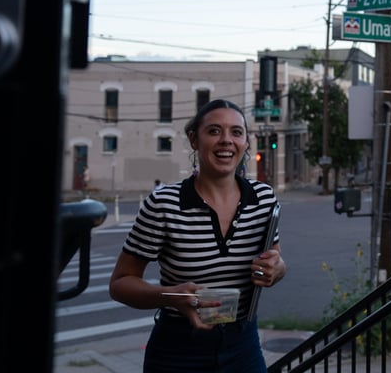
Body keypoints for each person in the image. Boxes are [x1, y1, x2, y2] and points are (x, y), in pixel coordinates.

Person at [109, 99, 286, 372]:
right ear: (194, 139)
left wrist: (277, 269)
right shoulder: (164, 203)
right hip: (178, 350)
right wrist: (171, 297)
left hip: (243, 345)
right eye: (214, 131)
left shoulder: (263, 198)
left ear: (246, 143)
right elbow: (120, 284)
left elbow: (275, 261)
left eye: (236, 132)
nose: (226, 140)